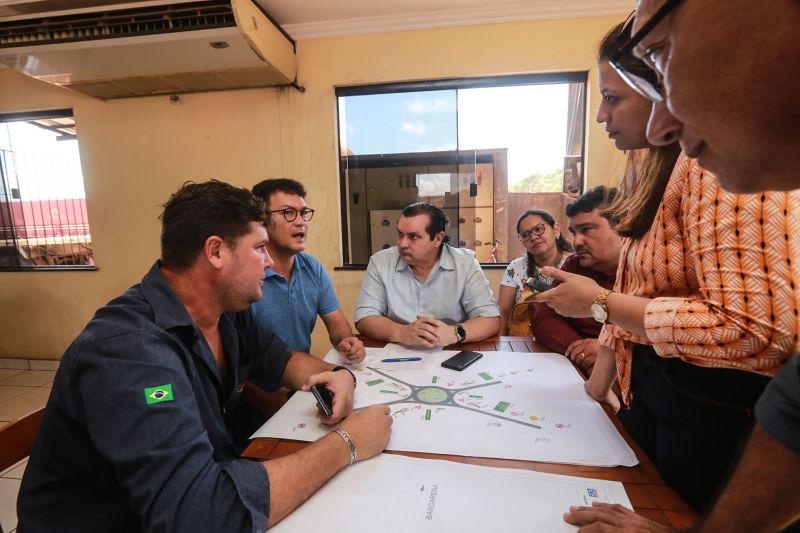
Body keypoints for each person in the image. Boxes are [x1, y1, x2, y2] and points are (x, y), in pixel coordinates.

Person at [16, 180, 392, 532]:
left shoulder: (228, 314)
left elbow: (286, 361)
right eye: (259, 248)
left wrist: (340, 376)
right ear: (215, 252)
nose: (267, 261)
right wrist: (348, 442)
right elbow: (199, 515)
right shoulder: (129, 352)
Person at [536, 17, 800, 512]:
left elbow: (759, 329)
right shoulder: (653, 164)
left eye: (614, 98)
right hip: (656, 399)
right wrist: (598, 389)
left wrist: (600, 302)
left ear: (663, 90)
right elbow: (641, 294)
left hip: (712, 411)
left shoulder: (716, 160)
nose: (600, 115)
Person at [355, 202, 500, 348]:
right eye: (400, 234)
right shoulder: (381, 262)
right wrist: (402, 332)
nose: (402, 243)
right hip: (397, 352)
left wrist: (454, 333)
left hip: (451, 351)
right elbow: (365, 317)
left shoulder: (465, 263)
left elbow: (490, 319)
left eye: (413, 237)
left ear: (437, 239)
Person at [251, 178, 364, 361]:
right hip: (261, 387)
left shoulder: (313, 268)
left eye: (303, 213)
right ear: (262, 219)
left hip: (302, 378)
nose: (300, 222)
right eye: (288, 213)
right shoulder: (246, 275)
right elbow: (235, 363)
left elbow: (336, 322)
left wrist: (347, 342)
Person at [531, 186, 621, 376]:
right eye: (573, 232)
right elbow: (545, 318)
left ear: (621, 226)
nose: (577, 242)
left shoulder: (649, 270)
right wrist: (584, 355)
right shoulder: (575, 265)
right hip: (585, 370)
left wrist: (607, 351)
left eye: (587, 229)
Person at [499, 208, 573, 335]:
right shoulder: (515, 267)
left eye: (539, 229)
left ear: (556, 230)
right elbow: (503, 312)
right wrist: (499, 348)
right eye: (525, 235)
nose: (533, 237)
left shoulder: (574, 265)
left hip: (563, 339)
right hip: (521, 340)